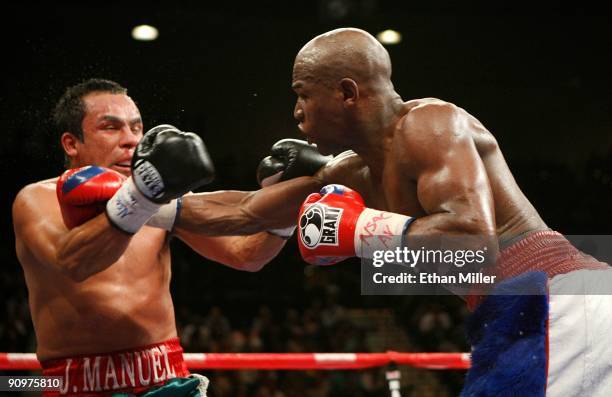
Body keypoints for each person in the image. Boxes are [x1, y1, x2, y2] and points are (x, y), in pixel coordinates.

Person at [287, 28, 612, 396]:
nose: (298, 111)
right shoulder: (348, 173)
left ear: (347, 93)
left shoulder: (428, 124)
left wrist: (359, 228)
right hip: (566, 301)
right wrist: (206, 200)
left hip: (552, 303)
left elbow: (473, 240)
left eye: (303, 95)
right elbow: (245, 224)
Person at [12, 79, 328, 396]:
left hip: (166, 379)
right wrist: (140, 198)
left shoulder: (154, 193)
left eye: (136, 128)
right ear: (71, 143)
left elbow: (246, 255)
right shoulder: (37, 199)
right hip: (77, 384)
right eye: (110, 128)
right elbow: (72, 262)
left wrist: (286, 208)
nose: (130, 141)